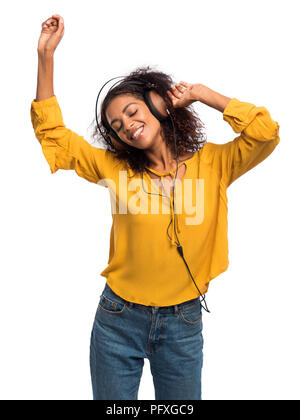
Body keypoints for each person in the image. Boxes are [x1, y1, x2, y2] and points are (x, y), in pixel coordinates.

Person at [31, 15, 280, 401]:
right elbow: (55, 137)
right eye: (116, 125)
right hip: (117, 320)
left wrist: (201, 93)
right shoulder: (113, 169)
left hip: (182, 321)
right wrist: (45, 56)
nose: (126, 125)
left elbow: (265, 131)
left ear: (158, 105)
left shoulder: (215, 163)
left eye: (132, 111)